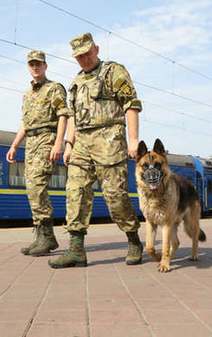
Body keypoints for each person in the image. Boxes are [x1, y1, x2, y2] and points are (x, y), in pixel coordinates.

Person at [48, 32, 143, 269]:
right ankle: (76, 249)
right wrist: (69, 144)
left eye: (87, 54)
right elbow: (74, 118)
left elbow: (131, 104)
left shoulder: (114, 72)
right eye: (79, 56)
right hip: (82, 143)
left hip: (110, 140)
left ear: (97, 49)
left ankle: (133, 240)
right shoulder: (76, 82)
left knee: (115, 196)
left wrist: (133, 140)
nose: (84, 59)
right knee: (75, 192)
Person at [7, 50, 71, 256]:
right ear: (28, 67)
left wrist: (58, 143)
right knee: (31, 188)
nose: (35, 67)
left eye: (38, 64)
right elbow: (25, 123)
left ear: (45, 66)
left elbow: (63, 115)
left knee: (37, 185)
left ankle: (48, 237)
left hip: (46, 140)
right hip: (31, 143)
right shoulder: (28, 94)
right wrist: (15, 145)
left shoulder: (54, 89)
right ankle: (41, 236)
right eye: (31, 64)